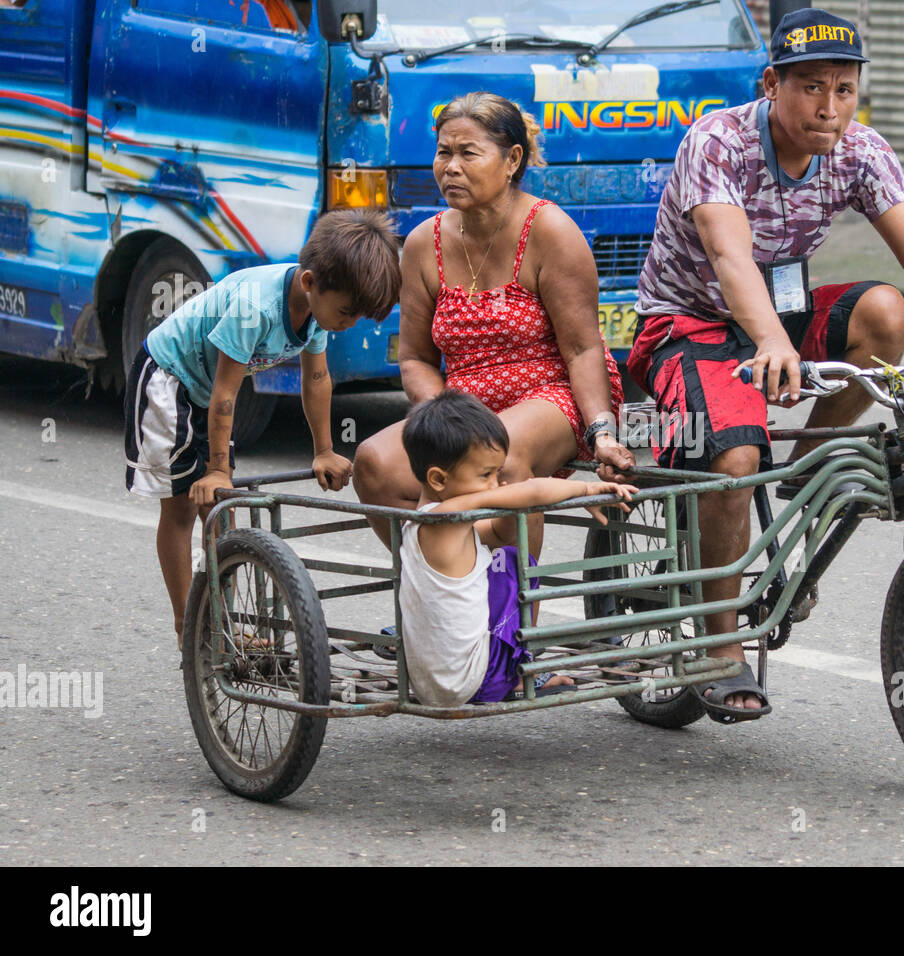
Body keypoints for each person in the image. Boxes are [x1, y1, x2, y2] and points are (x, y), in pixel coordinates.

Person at [626, 8, 904, 722]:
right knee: (735, 462)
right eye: (810, 88)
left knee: (887, 311)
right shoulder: (719, 141)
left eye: (843, 88)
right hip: (690, 323)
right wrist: (770, 342)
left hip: (780, 314)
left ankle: (809, 458)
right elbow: (730, 256)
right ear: (771, 83)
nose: (828, 108)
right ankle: (715, 645)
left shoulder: (859, 150)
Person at [354, 92, 635, 558]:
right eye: (443, 152)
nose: (451, 167)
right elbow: (415, 359)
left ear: (512, 160)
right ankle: (441, 595)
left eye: (468, 153)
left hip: (553, 392)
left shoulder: (550, 232)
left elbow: (584, 350)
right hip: (463, 406)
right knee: (373, 463)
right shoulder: (424, 243)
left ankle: (514, 623)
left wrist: (602, 432)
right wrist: (444, 415)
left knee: (499, 455)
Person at [124, 209, 402, 646]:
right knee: (181, 506)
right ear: (310, 282)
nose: (348, 324)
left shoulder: (316, 311)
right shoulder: (257, 306)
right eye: (346, 312)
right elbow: (225, 393)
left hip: (207, 391)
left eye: (357, 317)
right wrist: (217, 468)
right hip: (169, 379)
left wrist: (324, 449)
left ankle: (221, 627)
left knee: (221, 510)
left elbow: (316, 379)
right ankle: (190, 628)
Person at [398, 390, 637, 706]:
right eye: (486, 475)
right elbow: (533, 489)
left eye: (497, 473)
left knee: (496, 557)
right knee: (513, 561)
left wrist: (506, 504)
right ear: (439, 480)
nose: (496, 484)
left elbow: (495, 532)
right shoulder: (452, 516)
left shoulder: (421, 523)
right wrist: (587, 488)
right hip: (478, 681)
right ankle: (522, 670)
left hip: (430, 686)